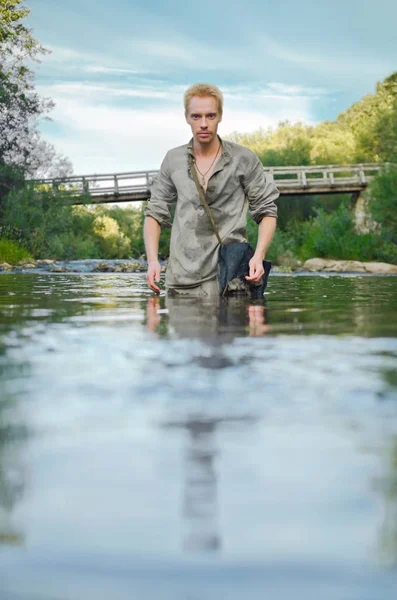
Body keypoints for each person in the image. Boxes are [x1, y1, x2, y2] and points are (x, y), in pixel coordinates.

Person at [144, 82, 279, 296]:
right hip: (182, 282)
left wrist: (259, 256)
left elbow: (267, 211)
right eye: (196, 116)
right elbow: (154, 214)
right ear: (187, 117)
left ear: (220, 116)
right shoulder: (173, 160)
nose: (204, 124)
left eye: (210, 116)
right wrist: (152, 261)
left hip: (230, 281)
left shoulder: (243, 158)